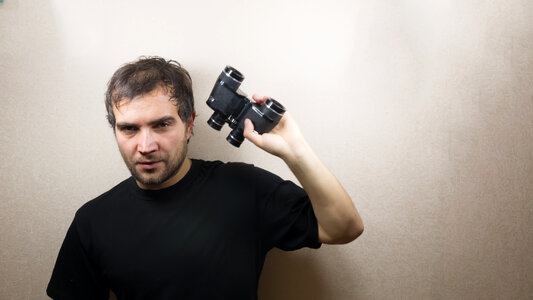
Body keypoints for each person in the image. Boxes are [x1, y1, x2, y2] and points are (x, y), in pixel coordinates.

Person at [47, 56, 364, 299]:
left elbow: (344, 228)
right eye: (129, 128)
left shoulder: (244, 188)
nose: (145, 146)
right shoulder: (92, 221)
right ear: (114, 129)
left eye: (162, 125)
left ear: (189, 124)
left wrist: (294, 150)